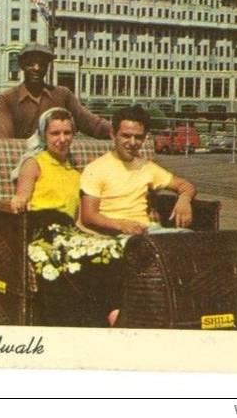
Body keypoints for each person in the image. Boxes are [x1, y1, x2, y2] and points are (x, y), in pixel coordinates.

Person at [80, 104, 197, 325]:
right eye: (126, 136)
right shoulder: (96, 168)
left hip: (146, 231)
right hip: (112, 233)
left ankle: (183, 309)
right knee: (147, 252)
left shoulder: (147, 167)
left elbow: (185, 185)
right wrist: (121, 225)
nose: (132, 143)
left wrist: (184, 199)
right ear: (112, 134)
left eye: (138, 137)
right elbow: (88, 216)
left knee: (189, 240)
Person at [9, 107, 121, 326]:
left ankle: (108, 312)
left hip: (68, 231)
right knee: (84, 258)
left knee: (112, 248)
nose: (62, 139)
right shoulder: (34, 163)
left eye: (67, 133)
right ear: (44, 135)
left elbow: (78, 217)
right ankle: (97, 316)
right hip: (42, 229)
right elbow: (21, 196)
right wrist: (19, 200)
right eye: (55, 133)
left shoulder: (74, 172)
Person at [0, 43, 112, 140]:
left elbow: (92, 124)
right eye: (30, 64)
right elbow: (4, 142)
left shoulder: (62, 95)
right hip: (24, 162)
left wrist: (120, 132)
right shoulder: (7, 99)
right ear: (22, 65)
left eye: (42, 64)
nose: (37, 68)